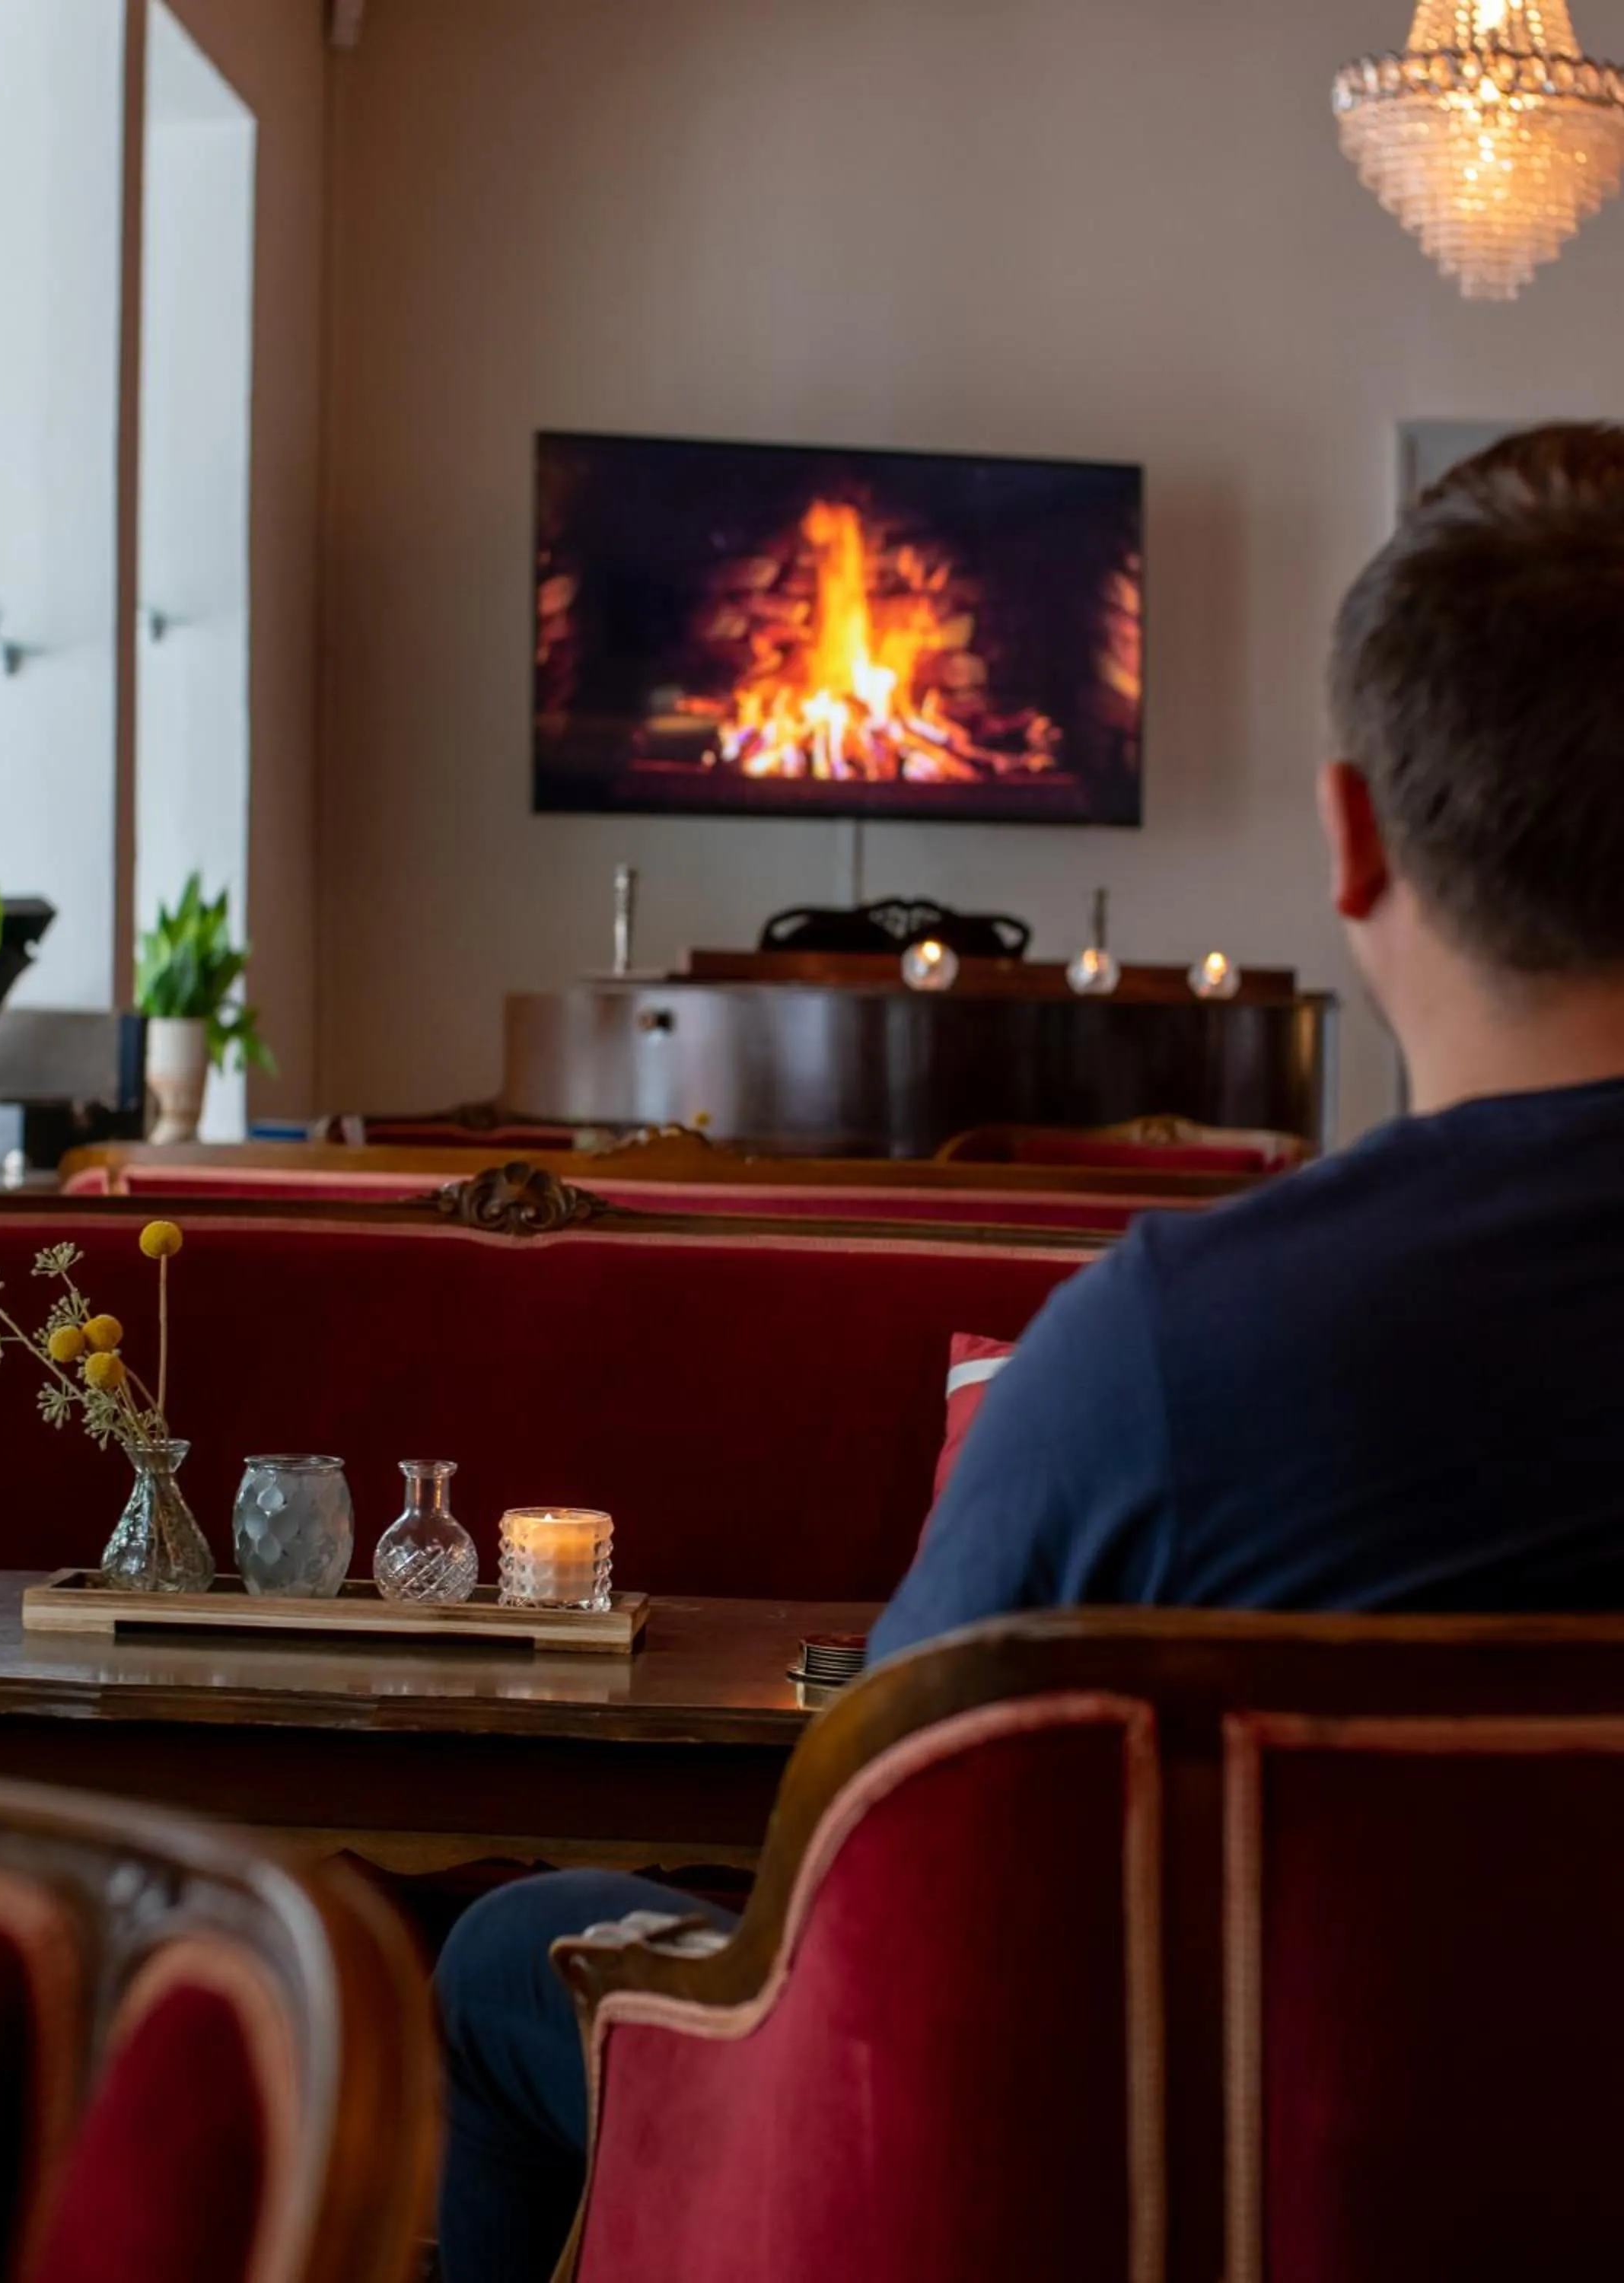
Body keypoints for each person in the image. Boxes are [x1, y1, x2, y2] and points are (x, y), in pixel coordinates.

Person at [435, 422, 1624, 2281]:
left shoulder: (1169, 1358)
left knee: (504, 1954)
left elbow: (862, 1904)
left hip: (1159, 2207)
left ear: (1352, 837)